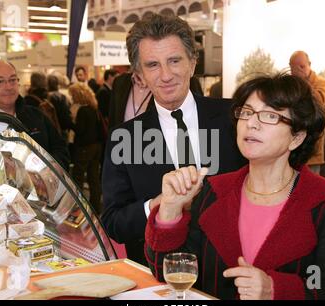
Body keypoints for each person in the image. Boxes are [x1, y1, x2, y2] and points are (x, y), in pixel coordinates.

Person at [145, 73, 325, 300]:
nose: (251, 123)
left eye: (270, 115)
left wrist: (275, 290)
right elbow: (168, 275)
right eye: (247, 112)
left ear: (296, 138)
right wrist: (170, 210)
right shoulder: (214, 191)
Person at [101, 14, 247, 265]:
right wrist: (158, 205)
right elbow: (113, 223)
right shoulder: (124, 138)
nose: (166, 75)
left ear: (193, 63)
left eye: (174, 60)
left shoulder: (234, 118)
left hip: (231, 273)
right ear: (139, 74)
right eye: (153, 65)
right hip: (158, 275)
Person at [0, 60, 70, 170]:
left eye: (12, 80)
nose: (8, 87)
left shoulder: (36, 116)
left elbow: (60, 147)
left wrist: (54, 167)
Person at [109, 72, 204, 131]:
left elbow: (199, 121)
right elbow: (113, 122)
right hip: (124, 153)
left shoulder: (186, 81)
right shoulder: (120, 82)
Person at [289, 51, 325, 174]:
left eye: (302, 67)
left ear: (309, 64)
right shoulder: (289, 84)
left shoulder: (322, 82)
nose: (299, 71)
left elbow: (320, 101)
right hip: (291, 148)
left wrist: (303, 82)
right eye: (294, 68)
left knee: (310, 188)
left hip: (311, 151)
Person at [68, 83, 103, 213]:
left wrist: (69, 123)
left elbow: (80, 130)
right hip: (96, 146)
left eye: (72, 95)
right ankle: (96, 208)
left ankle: (79, 208)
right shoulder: (94, 108)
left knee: (78, 177)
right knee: (94, 178)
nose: (71, 97)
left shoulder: (82, 110)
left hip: (84, 148)